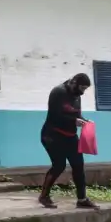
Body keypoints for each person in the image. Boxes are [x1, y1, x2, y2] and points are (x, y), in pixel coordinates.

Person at [38, 73, 99, 209]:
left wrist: (84, 121)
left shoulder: (77, 96)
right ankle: (44, 196)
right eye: (82, 88)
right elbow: (55, 116)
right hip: (52, 135)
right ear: (74, 83)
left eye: (85, 89)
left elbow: (76, 114)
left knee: (78, 165)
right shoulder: (58, 92)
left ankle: (82, 199)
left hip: (70, 136)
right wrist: (74, 121)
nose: (82, 92)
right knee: (59, 165)